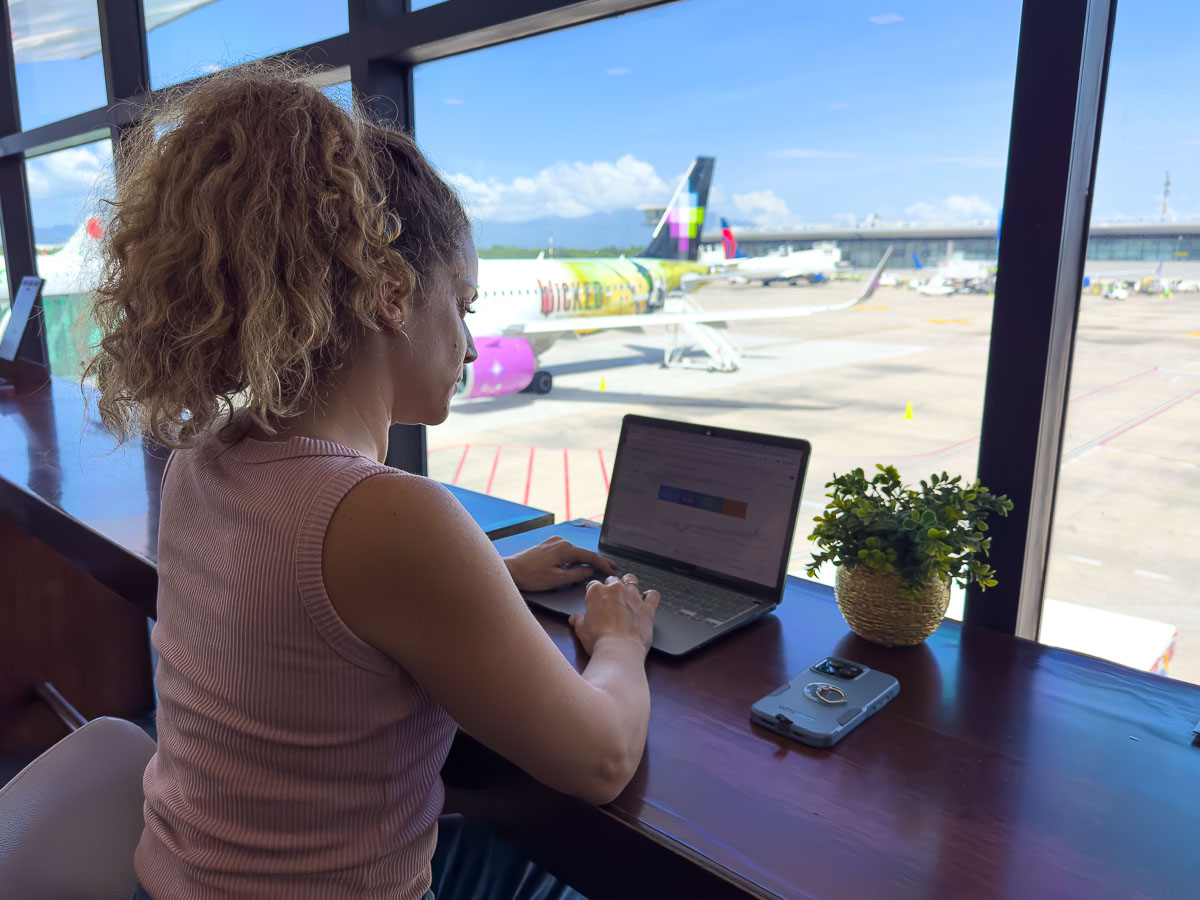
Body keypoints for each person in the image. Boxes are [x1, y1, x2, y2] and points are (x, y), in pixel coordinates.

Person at [84, 62, 659, 900]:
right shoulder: (387, 516)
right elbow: (602, 759)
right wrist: (620, 645)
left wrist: (489, 579)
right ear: (391, 292)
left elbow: (303, 619)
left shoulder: (205, 460)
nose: (469, 345)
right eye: (461, 306)